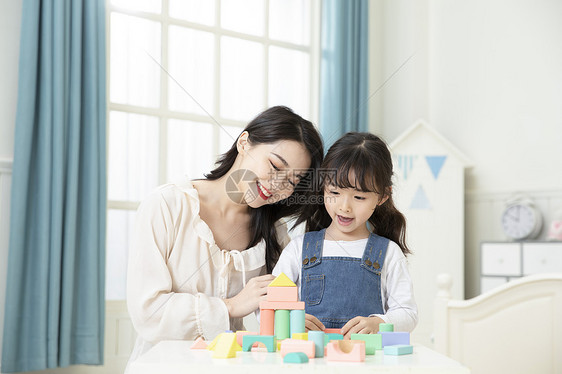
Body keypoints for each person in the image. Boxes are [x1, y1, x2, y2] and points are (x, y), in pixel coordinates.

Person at [126, 106, 324, 366]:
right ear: (244, 143)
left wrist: (292, 319)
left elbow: (277, 309)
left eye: (292, 181)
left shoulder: (274, 235)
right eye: (275, 165)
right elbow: (147, 311)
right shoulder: (167, 205)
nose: (278, 185)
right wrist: (230, 306)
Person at [272, 132, 418, 338]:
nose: (344, 207)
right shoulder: (299, 248)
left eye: (359, 197)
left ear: (383, 196)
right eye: (334, 192)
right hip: (310, 360)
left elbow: (408, 314)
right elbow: (268, 305)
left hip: (366, 363)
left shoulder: (389, 253)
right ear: (323, 186)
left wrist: (378, 323)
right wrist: (289, 320)